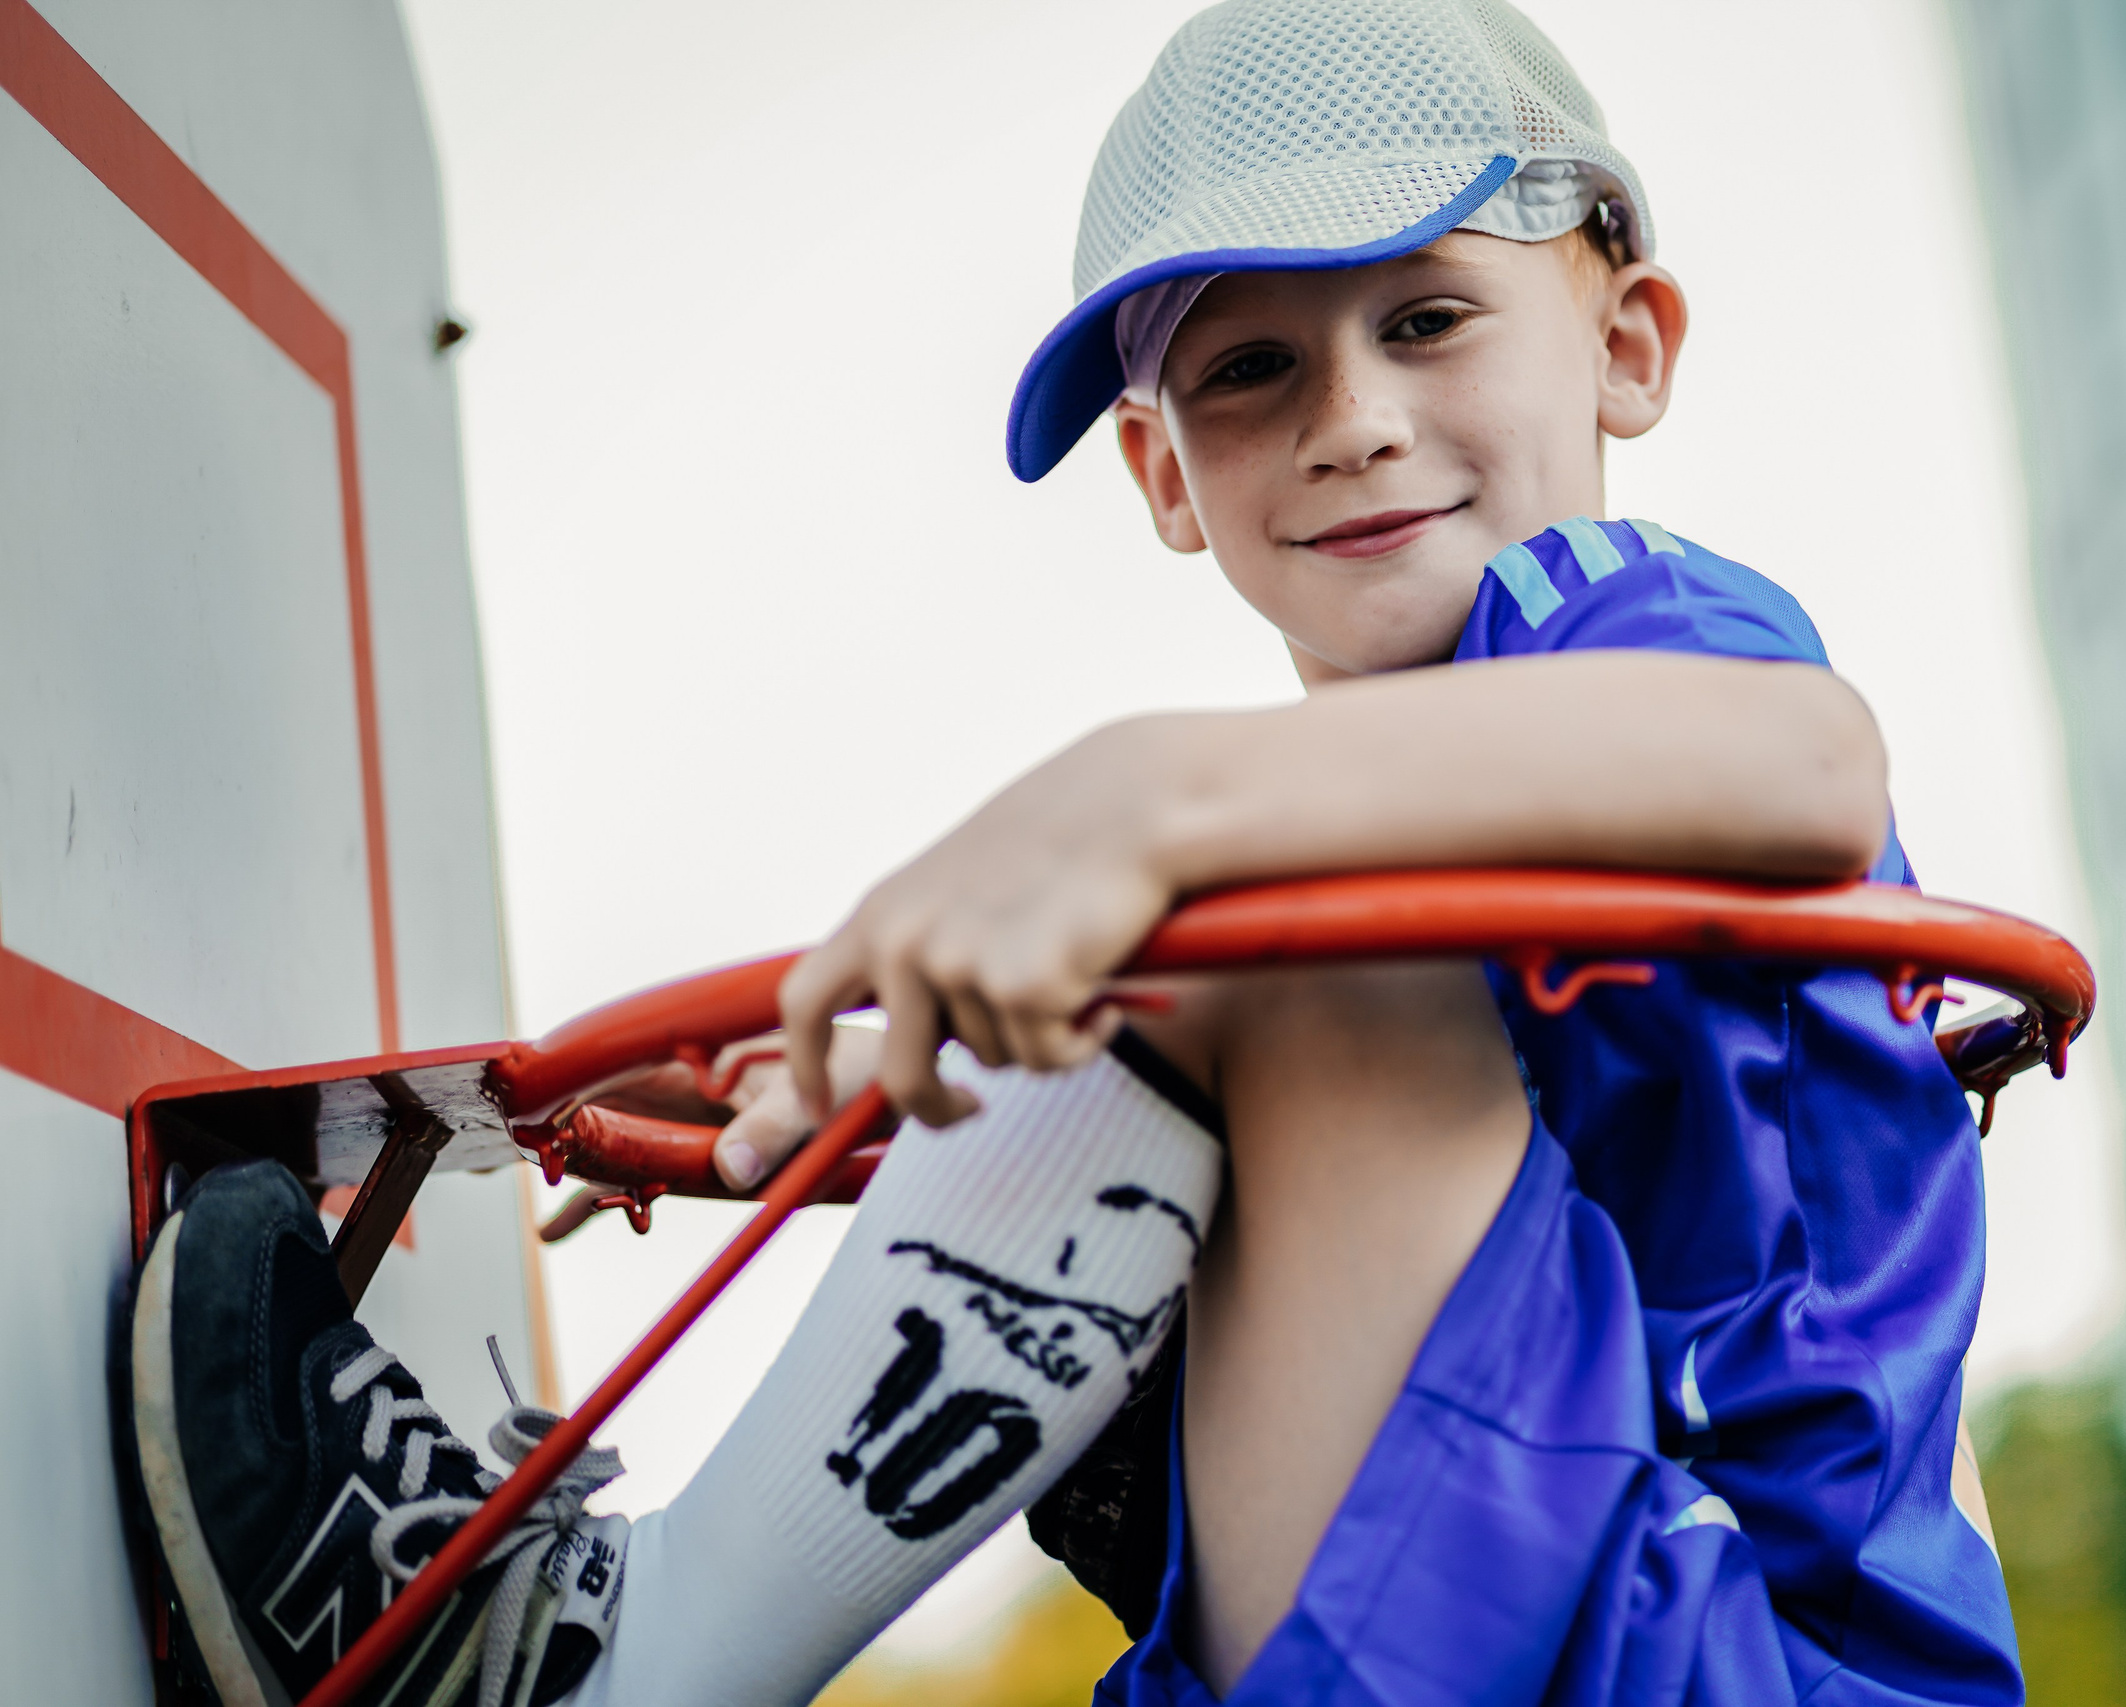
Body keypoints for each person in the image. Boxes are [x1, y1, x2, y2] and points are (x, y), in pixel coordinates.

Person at [121, 3, 2023, 1703]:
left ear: (1628, 345)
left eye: (1428, 318)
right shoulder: (1337, 920)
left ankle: (608, 1666)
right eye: (1251, 369)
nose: (1354, 421)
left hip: (1732, 1639)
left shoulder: (1620, 619)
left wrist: (1141, 794)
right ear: (1162, 474)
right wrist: (918, 1090)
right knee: (1242, 958)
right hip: (1569, 1600)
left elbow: (1807, 758)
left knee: (1274, 949)